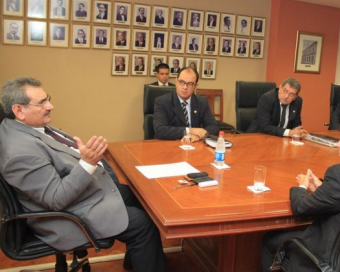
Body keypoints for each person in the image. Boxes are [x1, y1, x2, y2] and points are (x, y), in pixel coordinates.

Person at [0, 77, 167, 272]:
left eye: (48, 99)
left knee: (142, 198)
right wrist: (87, 163)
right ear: (19, 111)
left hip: (85, 193)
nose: (50, 106)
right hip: (67, 216)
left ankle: (139, 261)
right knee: (142, 224)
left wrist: (88, 160)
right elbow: (55, 199)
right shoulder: (20, 152)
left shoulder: (27, 127)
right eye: (42, 102)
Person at [262, 112, 340, 271]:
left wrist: (301, 186)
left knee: (269, 240)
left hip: (329, 258)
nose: (338, 144)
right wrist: (323, 189)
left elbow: (301, 207)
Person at [153, 67, 219, 141]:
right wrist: (190, 131)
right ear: (176, 81)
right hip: (170, 145)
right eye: (181, 82)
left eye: (190, 84)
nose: (185, 87)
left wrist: (198, 136)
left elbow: (214, 126)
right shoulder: (163, 101)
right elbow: (160, 130)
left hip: (194, 145)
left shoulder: (201, 102)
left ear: (195, 86)